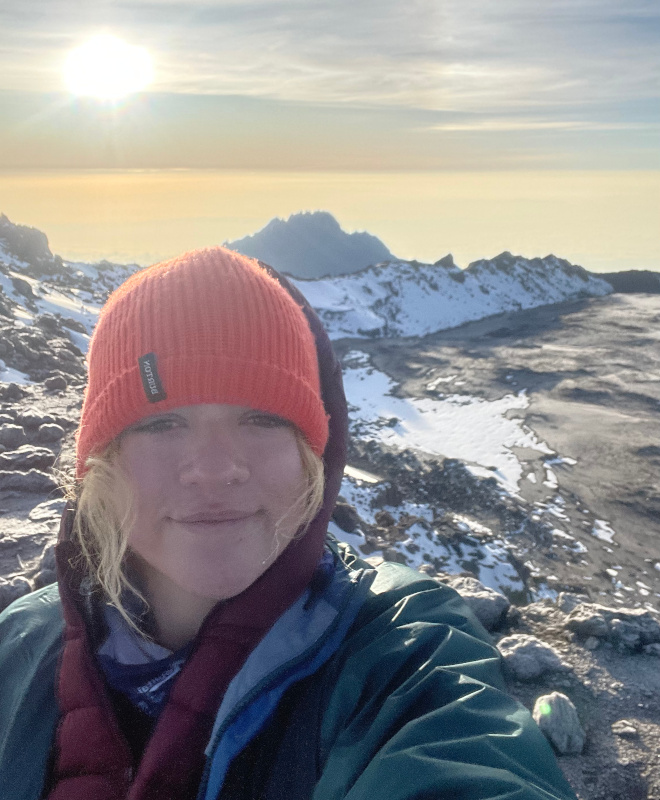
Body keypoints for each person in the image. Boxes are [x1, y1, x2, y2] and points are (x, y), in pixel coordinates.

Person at [0, 247, 578, 800]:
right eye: (161, 423)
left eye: (260, 418)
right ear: (102, 460)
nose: (215, 468)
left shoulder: (405, 650)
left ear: (313, 458)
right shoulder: (20, 641)